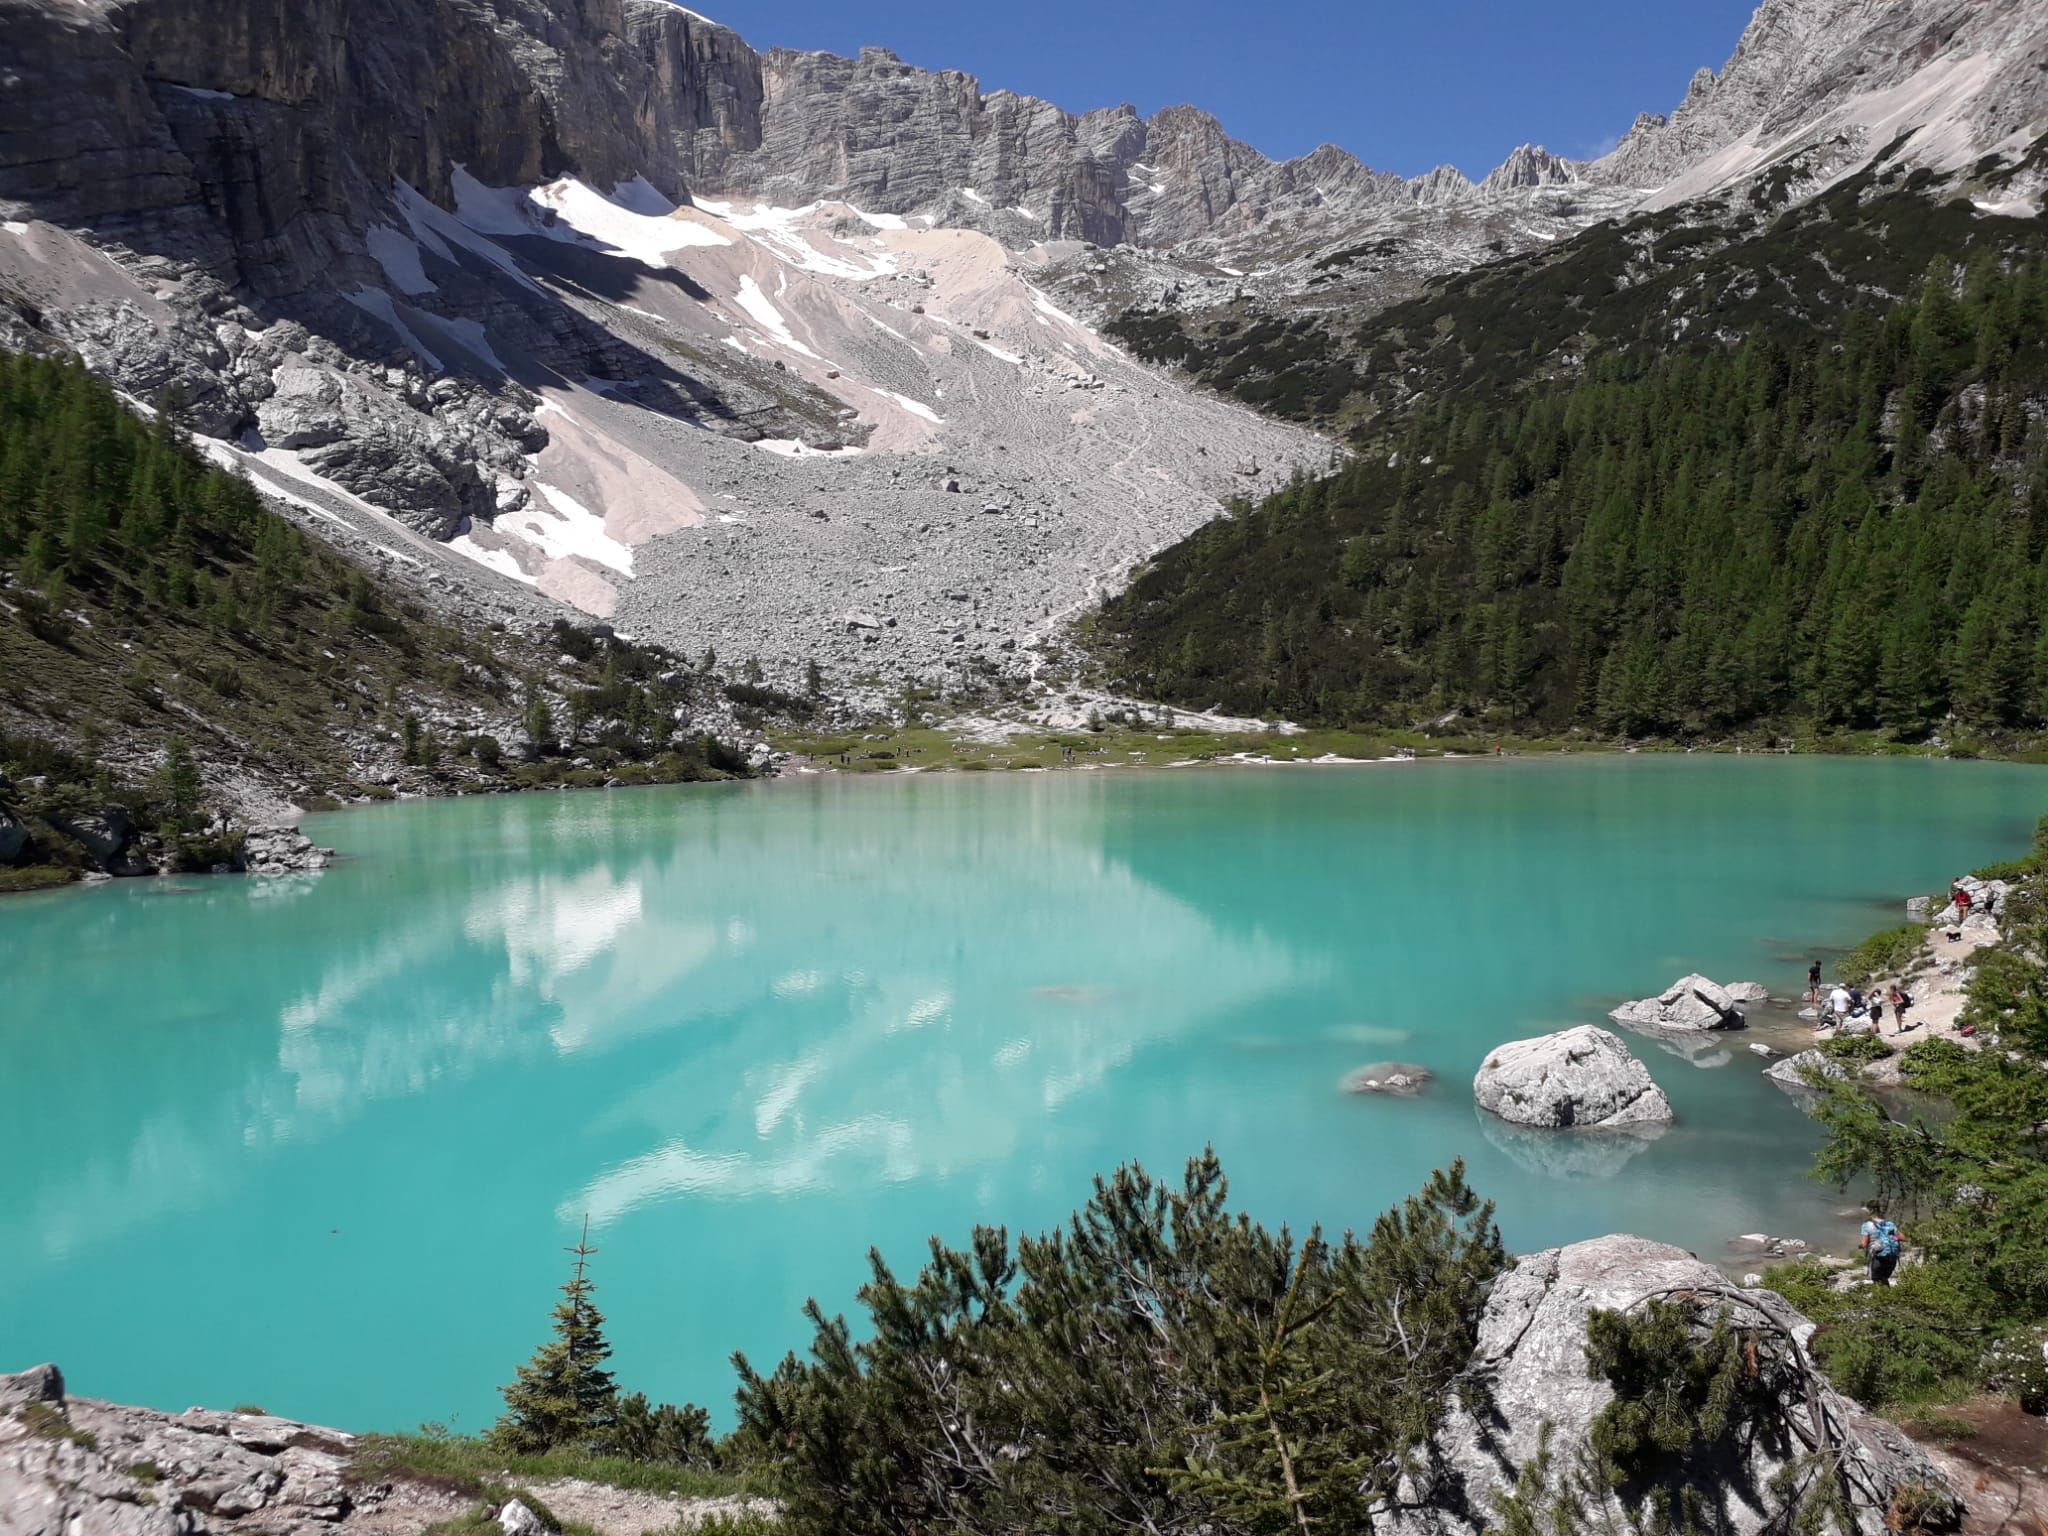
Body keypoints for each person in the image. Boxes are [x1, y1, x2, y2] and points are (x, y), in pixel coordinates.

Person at [1860, 1213, 1902, 1285]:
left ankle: (1879, 1295)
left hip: (1879, 1256)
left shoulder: (1866, 1225)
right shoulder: (1890, 1224)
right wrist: (1892, 1238)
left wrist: (1860, 1246)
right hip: (1893, 1255)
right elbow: (1902, 1237)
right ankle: (1888, 1294)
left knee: (1876, 1279)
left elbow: (1864, 1244)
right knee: (1884, 1277)